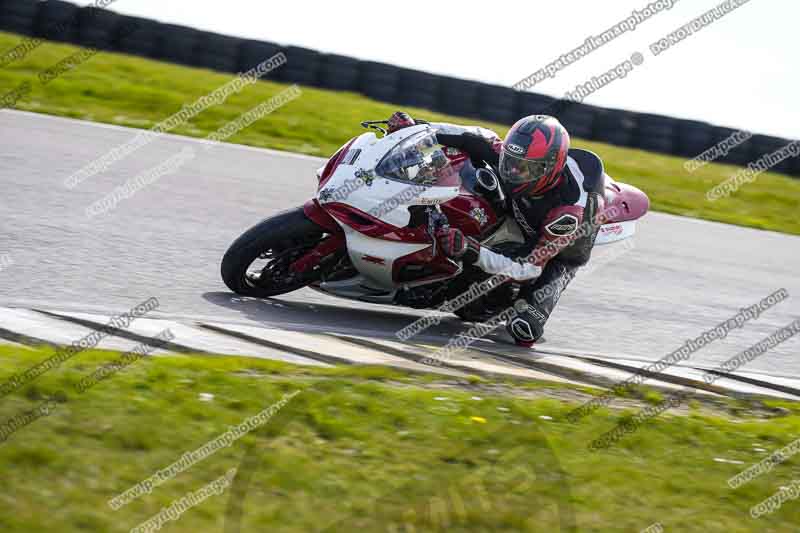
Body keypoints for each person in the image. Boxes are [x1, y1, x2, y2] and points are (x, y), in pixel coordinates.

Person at [387, 111, 607, 347]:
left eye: (526, 169)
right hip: (521, 209)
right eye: (510, 163)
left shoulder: (567, 213)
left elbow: (529, 268)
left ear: (550, 169)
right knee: (463, 160)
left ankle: (533, 296)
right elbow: (474, 136)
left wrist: (471, 250)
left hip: (559, 247)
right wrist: (416, 128)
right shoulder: (514, 158)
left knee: (524, 329)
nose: (514, 173)